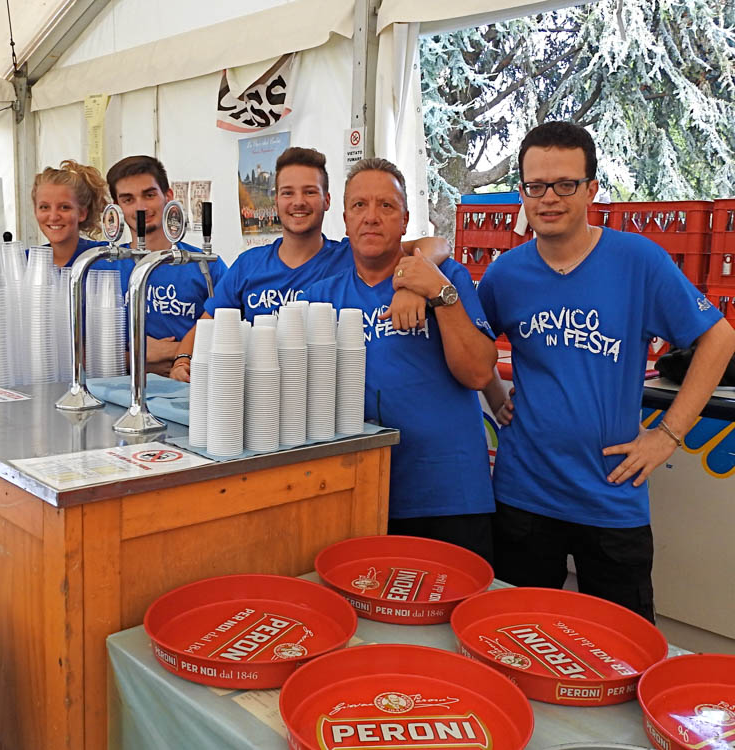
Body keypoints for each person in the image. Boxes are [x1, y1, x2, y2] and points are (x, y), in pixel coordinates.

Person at [477, 121, 735, 621]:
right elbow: (472, 345)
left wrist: (668, 435)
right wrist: (493, 393)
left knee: (623, 646)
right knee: (515, 635)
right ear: (522, 192)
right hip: (523, 494)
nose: (549, 199)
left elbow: (718, 338)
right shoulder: (506, 274)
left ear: (591, 189)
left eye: (565, 184)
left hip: (612, 496)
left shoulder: (638, 261)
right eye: (536, 186)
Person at [305, 158, 498, 559]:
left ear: (406, 219)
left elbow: (479, 373)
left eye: (386, 206)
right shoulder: (320, 298)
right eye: (359, 205)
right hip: (359, 491)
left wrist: (437, 294)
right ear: (345, 219)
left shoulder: (448, 277)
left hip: (448, 495)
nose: (371, 217)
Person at [168, 147, 452, 382]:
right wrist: (182, 360)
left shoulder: (353, 255)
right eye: (288, 193)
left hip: (322, 398)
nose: (298, 202)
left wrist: (410, 285)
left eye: (310, 192)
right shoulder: (249, 265)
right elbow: (206, 325)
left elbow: (436, 245)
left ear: (327, 201)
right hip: (259, 395)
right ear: (276, 201)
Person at [103, 155, 229, 376]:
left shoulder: (206, 265)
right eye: (128, 199)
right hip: (118, 390)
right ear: (116, 208)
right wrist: (137, 358)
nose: (141, 207)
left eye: (149, 195)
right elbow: (83, 349)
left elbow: (231, 334)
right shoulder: (105, 268)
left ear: (168, 196)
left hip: (189, 387)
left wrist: (176, 353)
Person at [32, 160, 110, 267]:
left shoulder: (106, 258)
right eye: (44, 207)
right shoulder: (24, 262)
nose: (53, 217)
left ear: (82, 213)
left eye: (64, 207)